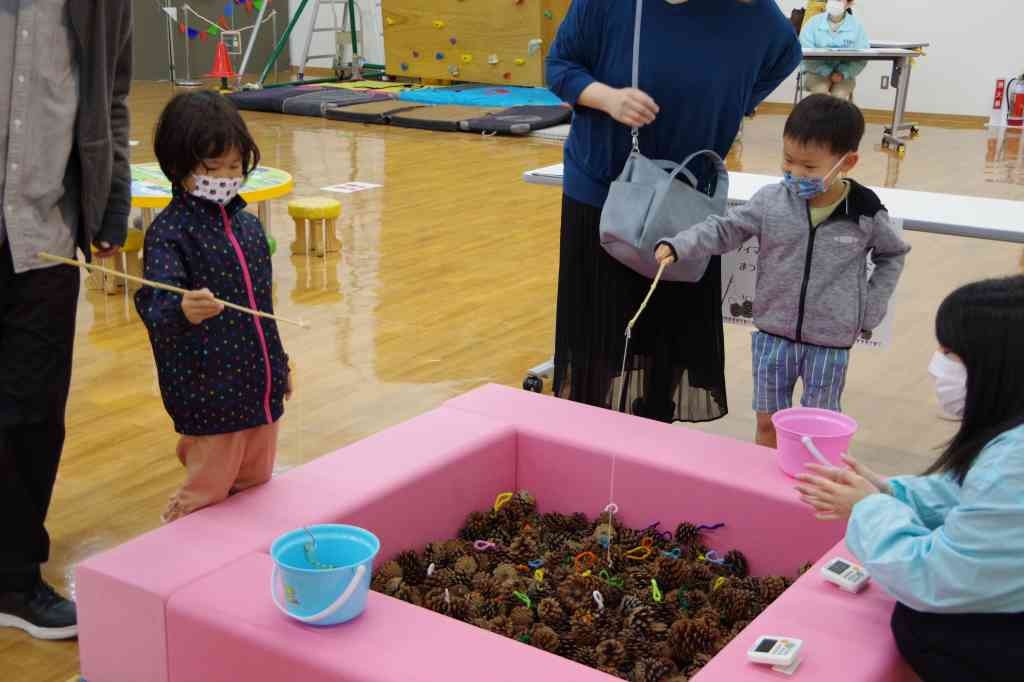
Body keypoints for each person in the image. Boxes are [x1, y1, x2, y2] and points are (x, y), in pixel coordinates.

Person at [545, 0, 802, 424]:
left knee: (667, 333)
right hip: (604, 194)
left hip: (686, 199)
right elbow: (560, 67)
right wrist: (608, 98)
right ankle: (587, 434)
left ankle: (655, 433)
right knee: (598, 335)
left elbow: (783, 55)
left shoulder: (753, 14)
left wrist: (730, 101)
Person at [794, 275, 1024, 682]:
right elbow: (970, 497)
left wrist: (868, 507)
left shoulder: (1015, 463)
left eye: (950, 352)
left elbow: (936, 577)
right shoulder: (1006, 447)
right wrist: (893, 491)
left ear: (997, 364)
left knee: (920, 621)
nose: (937, 365)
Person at [655, 95, 910, 447]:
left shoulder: (864, 211)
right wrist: (680, 244)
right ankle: (767, 495)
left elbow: (893, 254)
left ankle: (806, 494)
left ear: (846, 162)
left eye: (809, 167)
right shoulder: (771, 201)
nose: (795, 174)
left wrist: (871, 308)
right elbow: (725, 228)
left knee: (818, 433)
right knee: (768, 427)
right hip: (772, 337)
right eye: (788, 161)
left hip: (830, 344)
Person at [0, 1, 132, 640]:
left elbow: (111, 95)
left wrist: (113, 204)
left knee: (32, 412)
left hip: (43, 235)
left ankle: (16, 578)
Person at [135, 92, 291, 524]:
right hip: (208, 393)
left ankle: (237, 562)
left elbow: (265, 308)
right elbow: (154, 304)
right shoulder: (170, 234)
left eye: (234, 167)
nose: (225, 177)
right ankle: (179, 537)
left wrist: (279, 365)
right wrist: (181, 307)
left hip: (259, 385)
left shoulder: (248, 225)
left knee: (256, 483)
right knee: (207, 490)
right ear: (179, 168)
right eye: (211, 168)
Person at [799, 0, 869, 101]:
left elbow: (861, 58)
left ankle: (837, 117)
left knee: (838, 97)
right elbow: (805, 53)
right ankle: (817, 116)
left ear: (849, 4)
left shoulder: (857, 27)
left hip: (845, 76)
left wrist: (843, 73)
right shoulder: (813, 23)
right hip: (815, 72)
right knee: (820, 94)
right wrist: (828, 72)